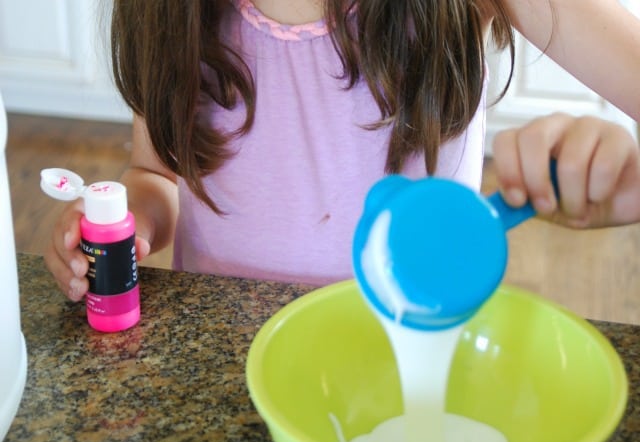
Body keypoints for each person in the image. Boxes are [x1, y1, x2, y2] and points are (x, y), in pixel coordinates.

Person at [45, 0, 640, 302]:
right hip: (237, 364)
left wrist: (622, 175)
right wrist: (129, 222)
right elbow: (156, 173)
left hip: (418, 352)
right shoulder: (170, 15)